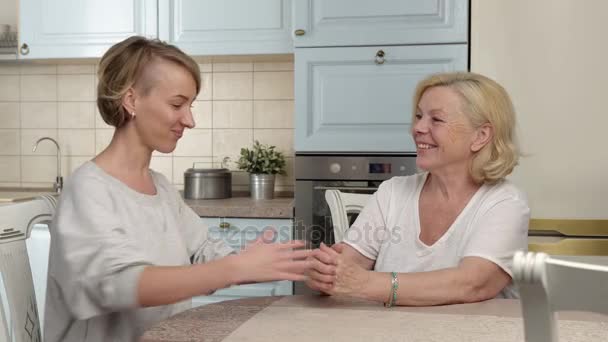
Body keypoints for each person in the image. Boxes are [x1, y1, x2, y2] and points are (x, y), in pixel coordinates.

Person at [44, 36, 312, 342]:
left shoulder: (160, 188)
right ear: (131, 101)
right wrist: (234, 269)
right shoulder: (88, 190)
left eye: (191, 105)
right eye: (177, 104)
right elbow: (116, 284)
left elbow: (204, 252)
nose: (190, 120)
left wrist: (262, 263)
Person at [306, 72, 530, 306]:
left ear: (480, 136)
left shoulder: (505, 203)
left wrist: (364, 284)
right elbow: (346, 269)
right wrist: (325, 274)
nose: (418, 128)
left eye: (436, 120)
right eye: (418, 116)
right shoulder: (392, 192)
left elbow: (472, 284)